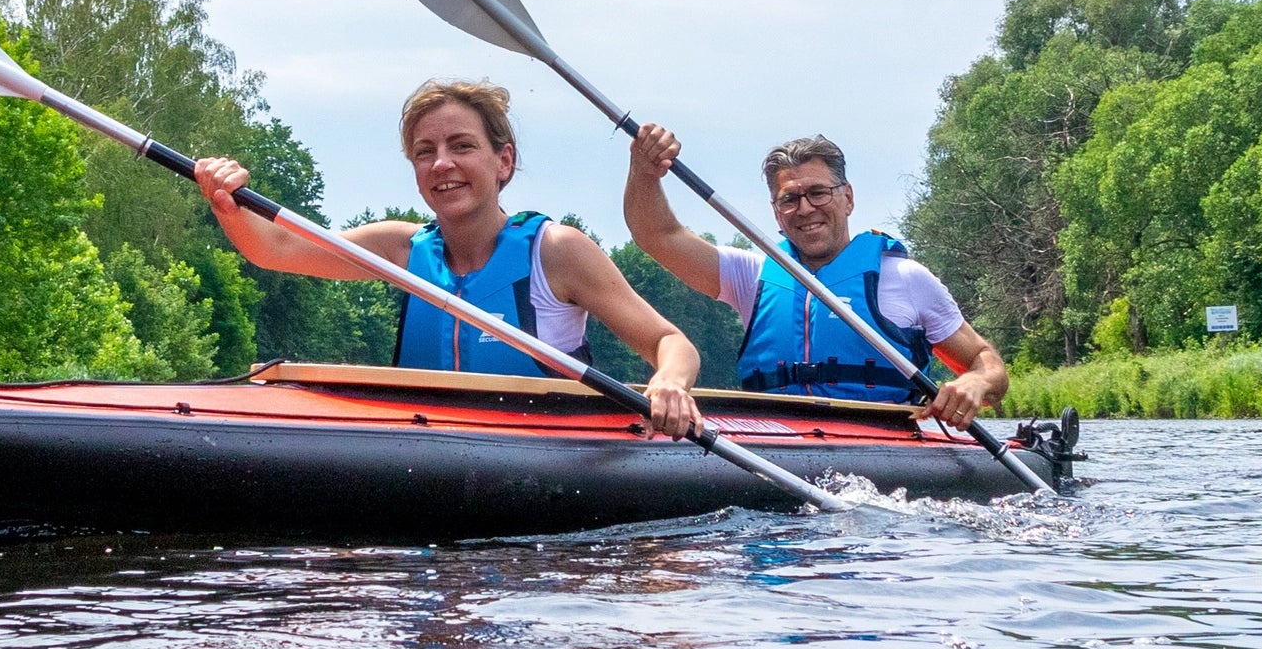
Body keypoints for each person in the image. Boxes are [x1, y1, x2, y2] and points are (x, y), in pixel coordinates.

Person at [194, 79, 703, 438]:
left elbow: (669, 341)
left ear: (503, 161)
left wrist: (669, 382)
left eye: (462, 146)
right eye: (424, 151)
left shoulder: (557, 251)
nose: (442, 164)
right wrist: (226, 201)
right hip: (426, 449)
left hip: (537, 450)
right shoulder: (400, 248)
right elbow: (274, 247)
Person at [623, 127, 1008, 429]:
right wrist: (645, 172)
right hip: (778, 439)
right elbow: (657, 235)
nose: (805, 209)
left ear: (848, 198)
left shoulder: (906, 279)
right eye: (789, 199)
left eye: (819, 193)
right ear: (776, 212)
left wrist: (975, 383)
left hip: (882, 442)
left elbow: (986, 363)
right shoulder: (751, 276)